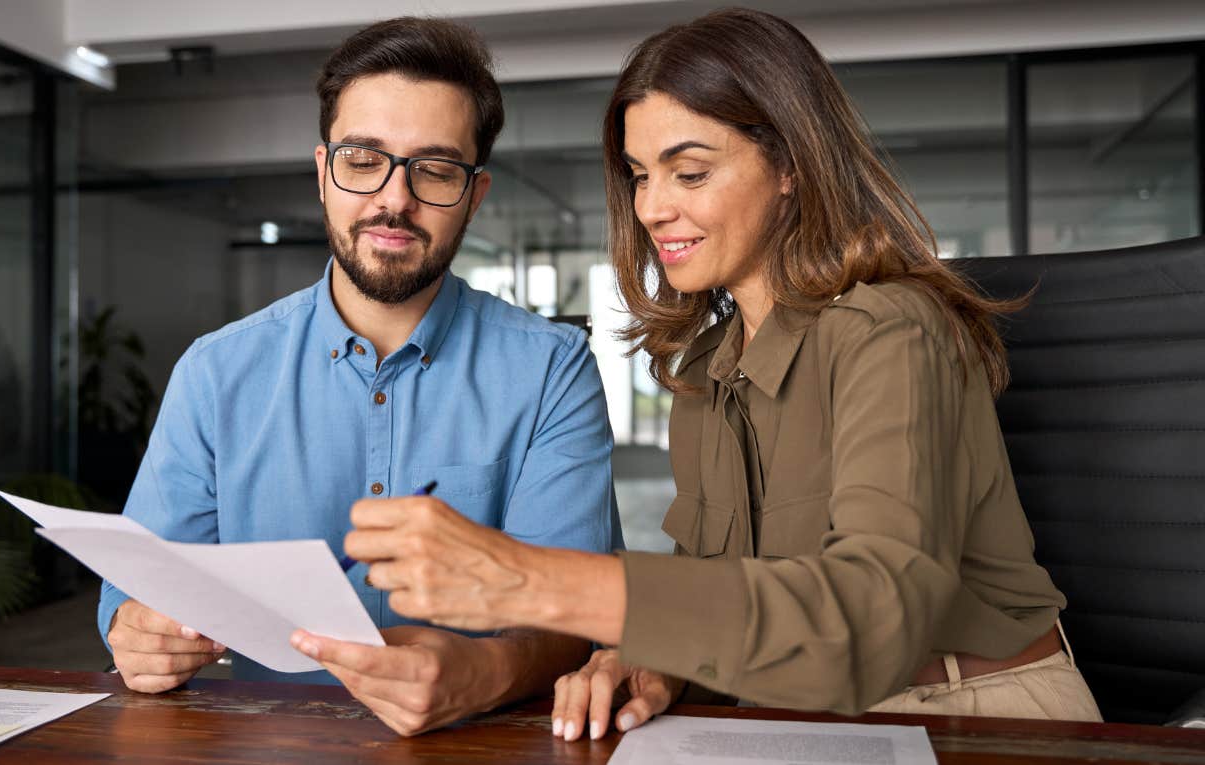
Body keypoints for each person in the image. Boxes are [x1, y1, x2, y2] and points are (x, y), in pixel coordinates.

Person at [331, 7, 1103, 743]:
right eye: (639, 175)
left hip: (972, 709)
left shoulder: (894, 330)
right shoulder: (706, 369)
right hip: (798, 716)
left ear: (791, 167)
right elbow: (730, 599)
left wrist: (532, 581)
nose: (653, 207)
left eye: (689, 172)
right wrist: (659, 663)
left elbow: (869, 622)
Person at [98, 17, 623, 736]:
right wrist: (135, 631)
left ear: (475, 194)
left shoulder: (551, 371)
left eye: (435, 170)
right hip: (266, 746)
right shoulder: (216, 373)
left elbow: (576, 615)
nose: (394, 199)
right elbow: (134, 590)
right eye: (364, 158)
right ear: (323, 172)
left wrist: (483, 672)